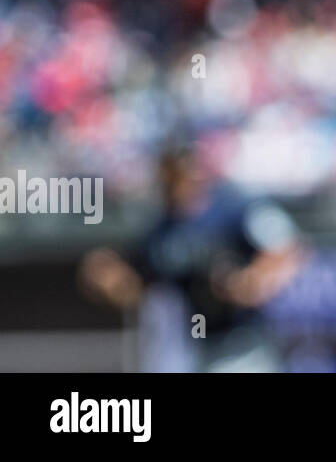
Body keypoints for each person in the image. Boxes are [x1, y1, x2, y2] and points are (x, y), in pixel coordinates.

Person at [79, 148, 302, 371]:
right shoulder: (161, 232)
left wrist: (250, 281)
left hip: (244, 344)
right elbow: (134, 287)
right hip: (196, 347)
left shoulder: (233, 208)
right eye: (168, 175)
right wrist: (110, 278)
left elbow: (285, 248)